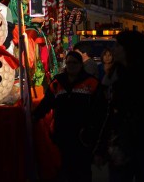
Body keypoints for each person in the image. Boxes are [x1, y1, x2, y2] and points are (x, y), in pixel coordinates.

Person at [94, 31, 144, 182]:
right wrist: (100, 148)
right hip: (120, 147)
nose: (114, 49)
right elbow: (105, 115)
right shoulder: (112, 78)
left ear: (128, 49)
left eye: (118, 45)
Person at [33, 51, 104, 182]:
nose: (71, 65)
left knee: (82, 172)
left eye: (74, 63)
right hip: (62, 136)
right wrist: (34, 117)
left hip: (82, 137)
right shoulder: (57, 82)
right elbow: (46, 103)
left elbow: (99, 111)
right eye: (69, 62)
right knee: (64, 171)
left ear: (80, 65)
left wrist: (94, 132)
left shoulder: (91, 83)